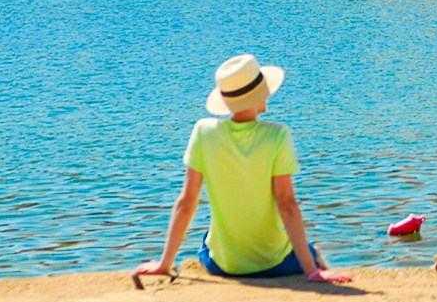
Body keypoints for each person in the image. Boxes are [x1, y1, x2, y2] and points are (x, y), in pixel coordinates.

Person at [135, 54, 351, 283]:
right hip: (273, 264)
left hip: (221, 265)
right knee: (312, 250)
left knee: (208, 239)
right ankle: (314, 267)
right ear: (261, 93)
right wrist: (312, 270)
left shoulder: (203, 132)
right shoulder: (277, 136)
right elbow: (287, 205)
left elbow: (187, 202)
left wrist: (164, 264)